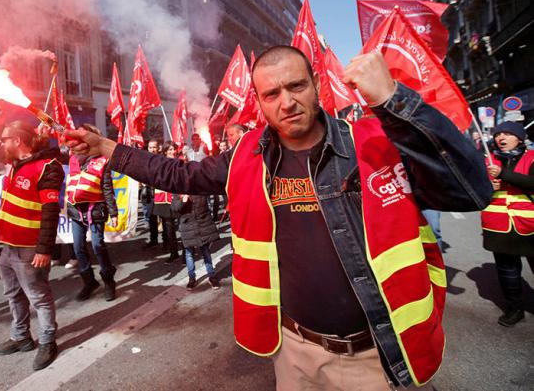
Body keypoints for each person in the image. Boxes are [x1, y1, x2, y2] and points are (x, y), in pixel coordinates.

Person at [65, 46, 492, 390]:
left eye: (296, 86)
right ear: (259, 102)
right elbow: (179, 174)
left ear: (317, 85)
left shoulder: (375, 143)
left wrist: (393, 101)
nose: (286, 102)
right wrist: (106, 148)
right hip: (295, 355)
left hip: (375, 356)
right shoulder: (246, 157)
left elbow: (471, 190)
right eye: (271, 94)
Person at [0, 121, 64, 371]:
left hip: (30, 248)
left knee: (39, 297)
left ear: (17, 141)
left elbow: (50, 211)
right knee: (13, 294)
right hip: (9, 246)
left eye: (4, 139)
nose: (1, 143)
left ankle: (47, 341)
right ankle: (21, 337)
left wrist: (44, 249)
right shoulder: (15, 164)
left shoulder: (48, 167)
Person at [481, 121, 534, 327]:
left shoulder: (531, 157)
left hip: (529, 224)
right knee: (507, 271)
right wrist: (488, 186)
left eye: (507, 134)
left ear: (519, 138)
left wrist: (503, 174)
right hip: (497, 225)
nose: (500, 138)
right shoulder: (488, 160)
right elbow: (474, 192)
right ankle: (515, 309)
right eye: (497, 134)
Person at [66, 124, 119, 302]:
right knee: (78, 248)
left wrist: (113, 213)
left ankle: (109, 281)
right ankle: (89, 282)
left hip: (94, 209)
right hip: (75, 211)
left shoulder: (103, 160)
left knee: (98, 246)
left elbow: (107, 187)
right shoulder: (72, 157)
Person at [173, 193, 220, 290]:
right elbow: (174, 208)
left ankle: (211, 276)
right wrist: (183, 201)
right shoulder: (178, 190)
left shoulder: (199, 188)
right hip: (187, 227)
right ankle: (191, 278)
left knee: (206, 251)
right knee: (189, 253)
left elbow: (206, 206)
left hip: (201, 225)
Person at [153, 141, 180, 263]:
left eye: (173, 149)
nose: (172, 152)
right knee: (168, 229)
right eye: (169, 150)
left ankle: (187, 252)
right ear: (164, 152)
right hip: (162, 200)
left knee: (183, 227)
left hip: (176, 198)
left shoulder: (180, 162)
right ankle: (173, 252)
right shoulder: (159, 164)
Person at [142, 139, 162, 248]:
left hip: (160, 192)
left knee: (164, 217)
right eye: (150, 147)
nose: (152, 149)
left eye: (154, 147)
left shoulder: (162, 160)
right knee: (151, 217)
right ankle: (153, 239)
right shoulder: (144, 160)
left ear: (158, 148)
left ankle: (167, 241)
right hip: (149, 193)